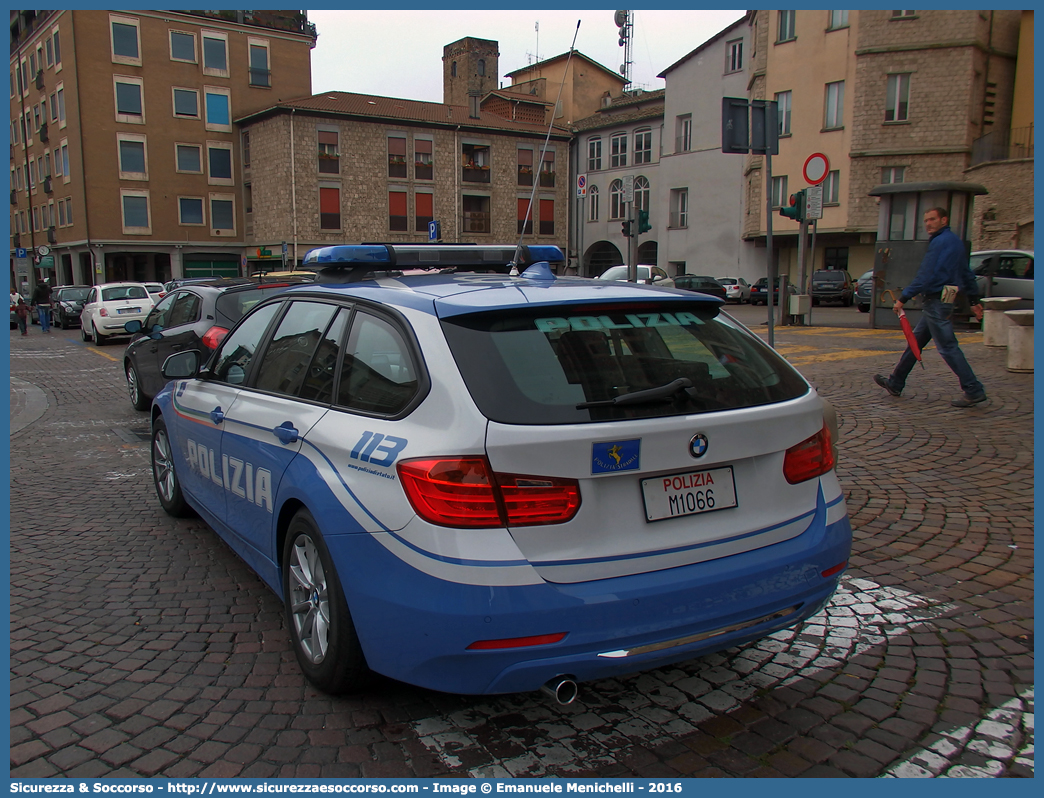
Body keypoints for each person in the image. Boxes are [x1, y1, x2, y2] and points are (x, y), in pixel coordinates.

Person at [874, 207, 986, 408]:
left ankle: (973, 389)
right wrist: (974, 301)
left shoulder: (940, 242)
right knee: (915, 342)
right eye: (925, 220)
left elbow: (927, 274)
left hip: (935, 299)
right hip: (945, 297)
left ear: (944, 219)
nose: (928, 224)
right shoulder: (955, 242)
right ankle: (896, 382)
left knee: (948, 347)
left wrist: (903, 298)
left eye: (932, 219)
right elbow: (966, 274)